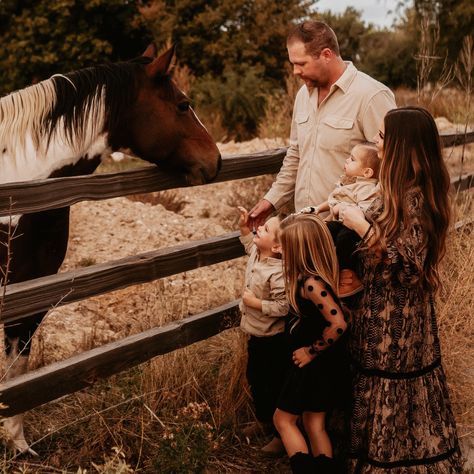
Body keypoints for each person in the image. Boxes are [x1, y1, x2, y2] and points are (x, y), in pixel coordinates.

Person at [341, 106, 463, 472]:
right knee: (369, 378)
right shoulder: (390, 191)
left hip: (401, 320)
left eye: (381, 137)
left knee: (391, 382)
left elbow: (408, 267)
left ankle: (393, 463)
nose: (376, 145)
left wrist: (361, 227)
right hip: (375, 311)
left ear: (402, 146)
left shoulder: (417, 198)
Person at [249, 20, 395, 230]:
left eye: (301, 64)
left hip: (349, 232)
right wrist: (270, 201)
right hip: (305, 227)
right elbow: (296, 155)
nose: (295, 72)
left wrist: (371, 232)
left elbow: (392, 167)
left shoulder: (371, 96)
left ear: (326, 55)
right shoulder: (303, 95)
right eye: (293, 64)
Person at [273, 213, 351, 473]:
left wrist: (310, 350)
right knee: (313, 424)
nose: (279, 249)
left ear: (298, 250)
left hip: (311, 367)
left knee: (283, 420)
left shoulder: (311, 284)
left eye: (283, 245)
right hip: (318, 367)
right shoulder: (308, 279)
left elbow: (338, 324)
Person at [237, 206, 290, 455]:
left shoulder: (279, 273)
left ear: (278, 247)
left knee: (275, 384)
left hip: (273, 340)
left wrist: (256, 304)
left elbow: (283, 306)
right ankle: (264, 420)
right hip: (254, 334)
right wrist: (244, 228)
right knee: (255, 379)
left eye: (265, 228)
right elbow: (249, 242)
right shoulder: (256, 254)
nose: (259, 228)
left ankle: (282, 434)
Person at [302, 142, 380, 297]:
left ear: (367, 172)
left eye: (352, 159)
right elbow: (334, 200)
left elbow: (364, 210)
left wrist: (340, 209)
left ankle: (347, 275)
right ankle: (324, 269)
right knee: (325, 231)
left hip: (353, 227)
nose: (346, 161)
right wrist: (317, 209)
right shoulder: (351, 183)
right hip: (341, 221)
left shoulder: (367, 189)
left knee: (345, 241)